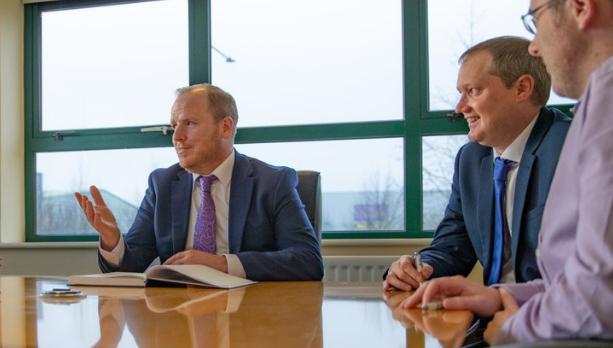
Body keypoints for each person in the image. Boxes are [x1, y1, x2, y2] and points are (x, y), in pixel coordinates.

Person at [405, 0, 613, 344]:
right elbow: (573, 282)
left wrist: (515, 327)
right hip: (526, 313)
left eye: (535, 20)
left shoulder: (575, 134)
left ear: (580, 7)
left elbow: (597, 294)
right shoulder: (471, 158)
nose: (534, 45)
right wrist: (498, 295)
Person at [74, 84, 323, 282]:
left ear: (225, 128)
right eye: (174, 126)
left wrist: (221, 264)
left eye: (189, 123)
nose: (177, 137)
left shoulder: (272, 182)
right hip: (180, 315)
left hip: (250, 314)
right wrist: (113, 240)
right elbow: (132, 265)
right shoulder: (162, 184)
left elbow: (308, 261)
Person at [384, 36, 571, 292]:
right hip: (492, 310)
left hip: (551, 309)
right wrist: (418, 268)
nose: (460, 108)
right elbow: (452, 246)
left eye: (473, 91)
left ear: (522, 89)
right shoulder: (470, 159)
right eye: (460, 94)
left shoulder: (573, 146)